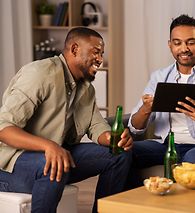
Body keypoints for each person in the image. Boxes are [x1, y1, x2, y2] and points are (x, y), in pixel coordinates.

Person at [0, 27, 133, 213]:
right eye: (96, 52)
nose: (100, 60)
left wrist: (112, 138)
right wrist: (49, 146)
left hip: (56, 154)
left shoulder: (86, 88)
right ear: (75, 49)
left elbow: (96, 125)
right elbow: (3, 127)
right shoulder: (39, 73)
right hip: (11, 164)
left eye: (102, 54)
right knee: (55, 162)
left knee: (118, 154)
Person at [126, 14, 195, 189]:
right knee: (123, 153)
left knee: (191, 162)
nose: (184, 48)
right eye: (177, 43)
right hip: (165, 145)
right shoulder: (159, 77)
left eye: (190, 42)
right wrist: (145, 110)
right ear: (170, 46)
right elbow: (136, 127)